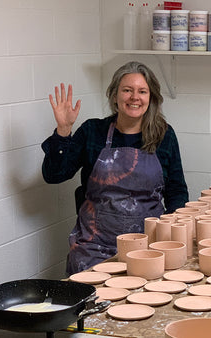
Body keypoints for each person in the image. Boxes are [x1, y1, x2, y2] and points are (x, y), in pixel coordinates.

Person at [41, 61, 189, 275]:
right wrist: (63, 132)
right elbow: (54, 175)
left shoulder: (163, 135)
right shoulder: (93, 131)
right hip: (94, 247)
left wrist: (167, 239)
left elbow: (177, 192)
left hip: (148, 248)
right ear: (115, 95)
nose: (134, 97)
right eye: (127, 90)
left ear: (151, 98)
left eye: (142, 91)